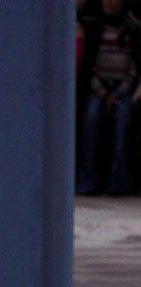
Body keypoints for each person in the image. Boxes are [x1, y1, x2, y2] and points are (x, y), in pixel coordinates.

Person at [77, 0, 141, 195]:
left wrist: (120, 92)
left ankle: (119, 181)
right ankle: (87, 179)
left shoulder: (131, 30)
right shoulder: (94, 27)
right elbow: (90, 67)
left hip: (123, 88)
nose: (109, 2)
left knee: (124, 117)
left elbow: (133, 68)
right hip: (99, 88)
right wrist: (104, 93)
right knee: (92, 114)